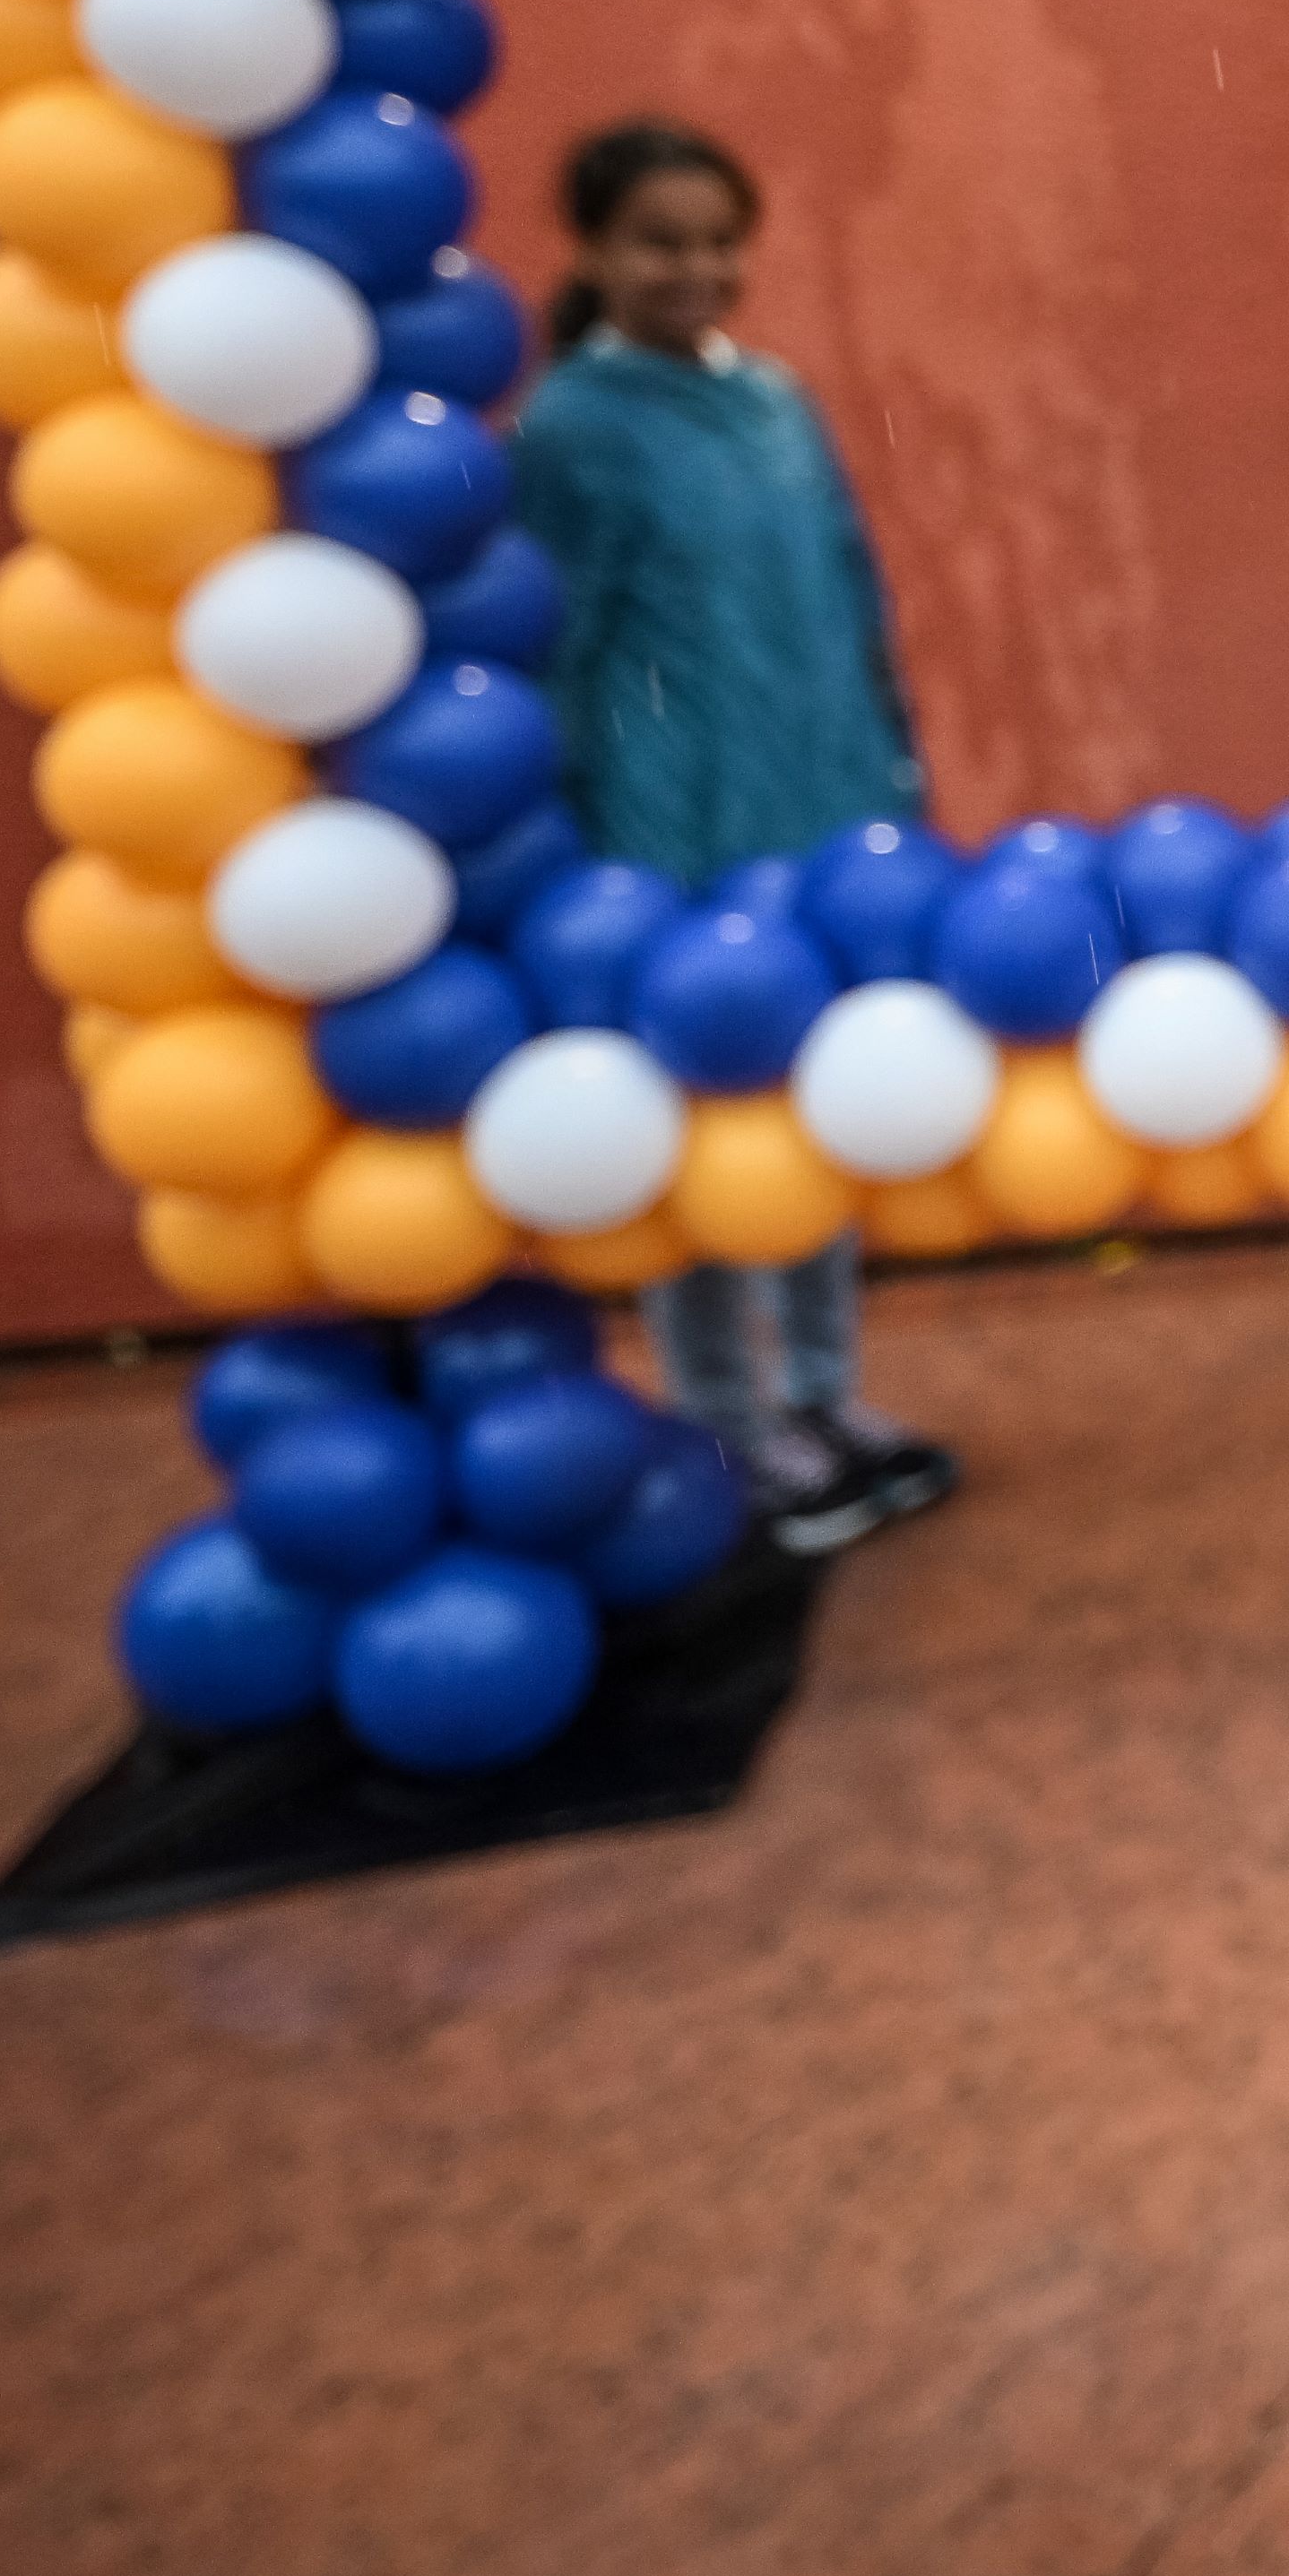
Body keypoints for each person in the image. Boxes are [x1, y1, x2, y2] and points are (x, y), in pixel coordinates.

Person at [510, 117, 959, 1554]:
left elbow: (851, 592)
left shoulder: (778, 401)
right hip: (670, 818)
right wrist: (568, 830)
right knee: (703, 1121)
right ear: (590, 252)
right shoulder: (573, 427)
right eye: (658, 240)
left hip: (819, 800)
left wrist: (892, 778)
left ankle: (825, 1394)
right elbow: (558, 641)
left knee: (820, 1109)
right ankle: (726, 1418)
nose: (695, 267)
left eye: (718, 239)